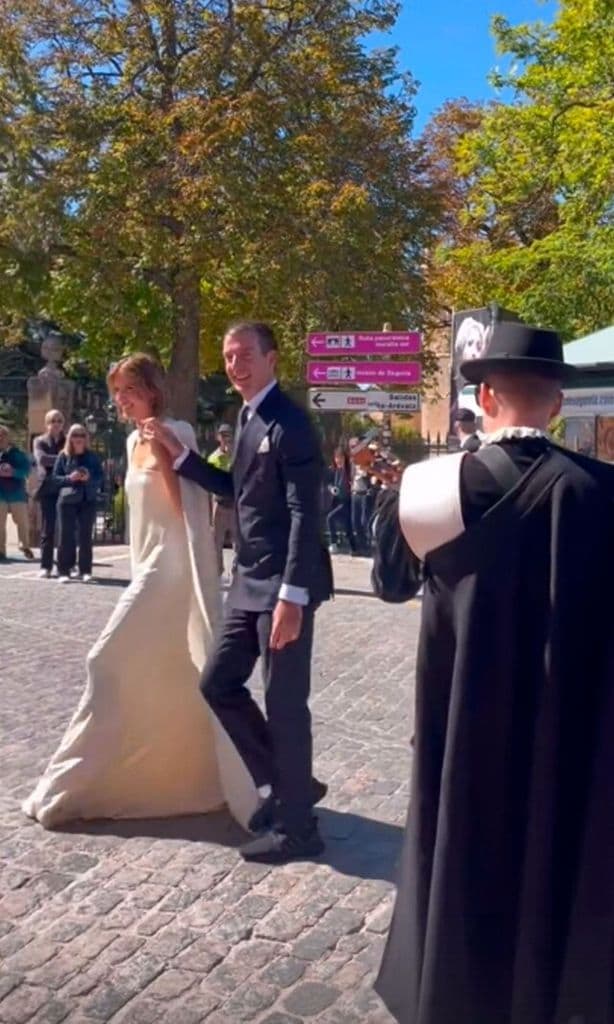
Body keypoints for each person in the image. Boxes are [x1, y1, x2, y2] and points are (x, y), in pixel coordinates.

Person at [373, 323, 614, 1024]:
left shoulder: (432, 487)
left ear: (483, 397)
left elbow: (389, 580)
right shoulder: (601, 492)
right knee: (557, 849)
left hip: (464, 723)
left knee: (461, 843)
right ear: (559, 404)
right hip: (569, 730)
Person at [23, 353, 258, 830]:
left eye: (129, 389)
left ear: (152, 388)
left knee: (104, 659)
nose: (121, 399)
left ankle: (84, 777)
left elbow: (185, 511)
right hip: (148, 564)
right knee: (162, 672)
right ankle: (149, 776)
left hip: (171, 567)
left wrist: (168, 450)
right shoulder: (130, 440)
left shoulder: (178, 432)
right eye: (116, 392)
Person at [145, 320, 333, 863]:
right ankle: (288, 785)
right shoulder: (247, 416)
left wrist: (293, 597)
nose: (234, 364)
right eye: (228, 356)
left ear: (272, 358)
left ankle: (300, 830)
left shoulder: (291, 423)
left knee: (285, 704)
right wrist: (183, 460)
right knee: (219, 682)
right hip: (248, 582)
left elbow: (305, 513)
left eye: (245, 354)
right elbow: (238, 492)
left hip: (283, 588)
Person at [53, 424, 104, 583]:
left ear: (86, 438)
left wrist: (88, 479)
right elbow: (55, 478)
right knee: (65, 536)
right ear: (70, 438)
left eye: (82, 435)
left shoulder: (92, 457)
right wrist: (70, 478)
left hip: (87, 499)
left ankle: (85, 570)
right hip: (67, 500)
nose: (79, 439)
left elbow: (100, 477)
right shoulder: (63, 456)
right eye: (75, 435)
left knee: (85, 536)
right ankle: (63, 571)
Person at [33, 409, 66, 578]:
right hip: (47, 488)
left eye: (59, 421)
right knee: (48, 528)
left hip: (66, 488)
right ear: (47, 424)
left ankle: (66, 565)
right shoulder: (39, 441)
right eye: (53, 421)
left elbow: (73, 460)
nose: (56, 424)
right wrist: (62, 458)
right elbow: (42, 460)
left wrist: (61, 458)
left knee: (66, 528)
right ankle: (46, 566)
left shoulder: (68, 441)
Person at [0, 425, 34, 561]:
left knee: (22, 522)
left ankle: (24, 546)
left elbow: (26, 470)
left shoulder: (17, 453)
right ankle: (1, 551)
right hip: (0, 494)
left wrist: (13, 472)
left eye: (3, 435)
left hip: (17, 494)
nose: (0, 437)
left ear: (8, 437)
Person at [207, 423, 235, 576]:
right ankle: (218, 570)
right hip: (219, 503)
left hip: (235, 504)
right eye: (223, 436)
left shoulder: (238, 455)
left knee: (238, 542)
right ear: (218, 438)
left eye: (228, 435)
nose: (226, 439)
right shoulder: (214, 457)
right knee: (217, 541)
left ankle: (236, 573)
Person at [326, 448, 355, 554]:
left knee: (330, 518)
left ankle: (333, 543)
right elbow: (328, 483)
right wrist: (332, 489)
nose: (338, 460)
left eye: (340, 458)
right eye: (336, 458)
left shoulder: (348, 470)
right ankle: (353, 548)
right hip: (337, 501)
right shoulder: (334, 470)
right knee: (347, 526)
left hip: (346, 501)